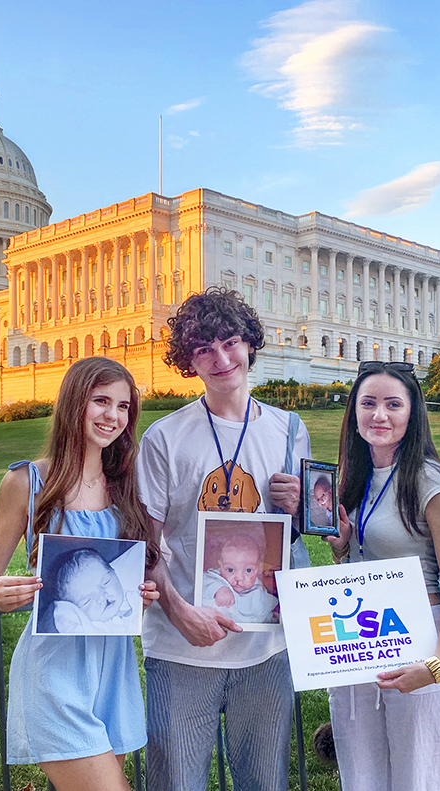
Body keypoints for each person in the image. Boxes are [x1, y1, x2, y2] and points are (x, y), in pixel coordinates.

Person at [136, 286, 311, 791]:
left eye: (230, 342)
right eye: (203, 349)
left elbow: (300, 532)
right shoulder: (165, 438)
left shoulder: (288, 430)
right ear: (188, 362)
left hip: (266, 646)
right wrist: (177, 611)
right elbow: (145, 543)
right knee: (176, 781)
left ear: (250, 344)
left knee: (266, 781)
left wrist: (301, 506)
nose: (220, 358)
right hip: (183, 646)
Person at [0, 357, 161, 791]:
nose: (113, 415)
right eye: (101, 401)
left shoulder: (125, 485)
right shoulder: (27, 482)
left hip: (112, 671)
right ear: (74, 402)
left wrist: (141, 592)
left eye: (124, 406)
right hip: (55, 674)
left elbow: (134, 572)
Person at [321, 360, 440, 791]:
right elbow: (364, 565)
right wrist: (344, 546)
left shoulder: (428, 479)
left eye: (392, 404)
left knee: (420, 779)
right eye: (368, 403)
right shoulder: (357, 477)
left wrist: (437, 664)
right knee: (362, 777)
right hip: (358, 640)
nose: (379, 415)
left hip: (419, 642)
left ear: (412, 412)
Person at [48, 547, 139, 634]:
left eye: (106, 582)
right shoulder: (87, 627)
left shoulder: (134, 598)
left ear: (114, 572)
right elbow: (62, 613)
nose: (101, 596)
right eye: (87, 601)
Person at [201, 533, 279, 623]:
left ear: (259, 568)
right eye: (230, 570)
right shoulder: (216, 577)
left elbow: (263, 612)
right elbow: (201, 581)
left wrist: (271, 617)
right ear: (221, 565)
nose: (239, 578)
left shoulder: (258, 591)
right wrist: (219, 588)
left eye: (248, 570)